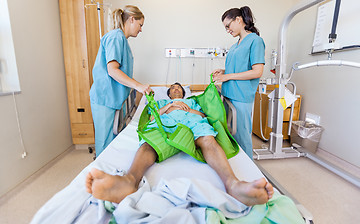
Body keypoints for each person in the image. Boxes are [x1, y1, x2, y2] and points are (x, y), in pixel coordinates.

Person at [86, 83, 274, 206]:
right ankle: (129, 181)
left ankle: (234, 185)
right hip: (166, 124)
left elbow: (204, 116)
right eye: (173, 88)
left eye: (179, 88)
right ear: (168, 93)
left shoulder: (192, 101)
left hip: (192, 122)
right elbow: (151, 117)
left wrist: (191, 109)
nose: (176, 89)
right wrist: (168, 107)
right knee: (148, 144)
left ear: (184, 93)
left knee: (208, 139)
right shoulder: (160, 102)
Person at [89, 5, 152, 157]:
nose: (141, 29)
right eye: (140, 24)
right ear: (131, 19)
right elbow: (112, 70)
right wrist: (138, 86)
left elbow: (124, 74)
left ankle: (110, 175)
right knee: (105, 145)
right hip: (105, 99)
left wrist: (140, 87)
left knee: (113, 143)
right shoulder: (116, 37)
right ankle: (99, 176)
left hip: (113, 99)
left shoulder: (122, 40)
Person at [211, 6, 265, 159]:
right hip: (228, 94)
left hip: (241, 96)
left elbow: (257, 71)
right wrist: (224, 71)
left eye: (228, 26)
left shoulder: (255, 41)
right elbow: (238, 68)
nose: (227, 30)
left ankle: (250, 174)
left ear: (238, 20)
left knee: (242, 137)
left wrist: (227, 77)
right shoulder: (235, 45)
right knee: (231, 135)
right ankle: (237, 165)